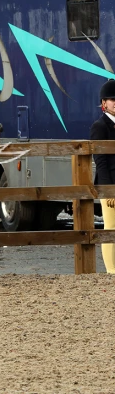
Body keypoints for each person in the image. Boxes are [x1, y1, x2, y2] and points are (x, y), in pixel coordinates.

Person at [91, 78, 115, 273]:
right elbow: (100, 161)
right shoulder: (100, 126)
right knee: (110, 227)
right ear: (104, 103)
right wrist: (108, 190)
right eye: (112, 100)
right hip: (110, 183)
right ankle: (111, 270)